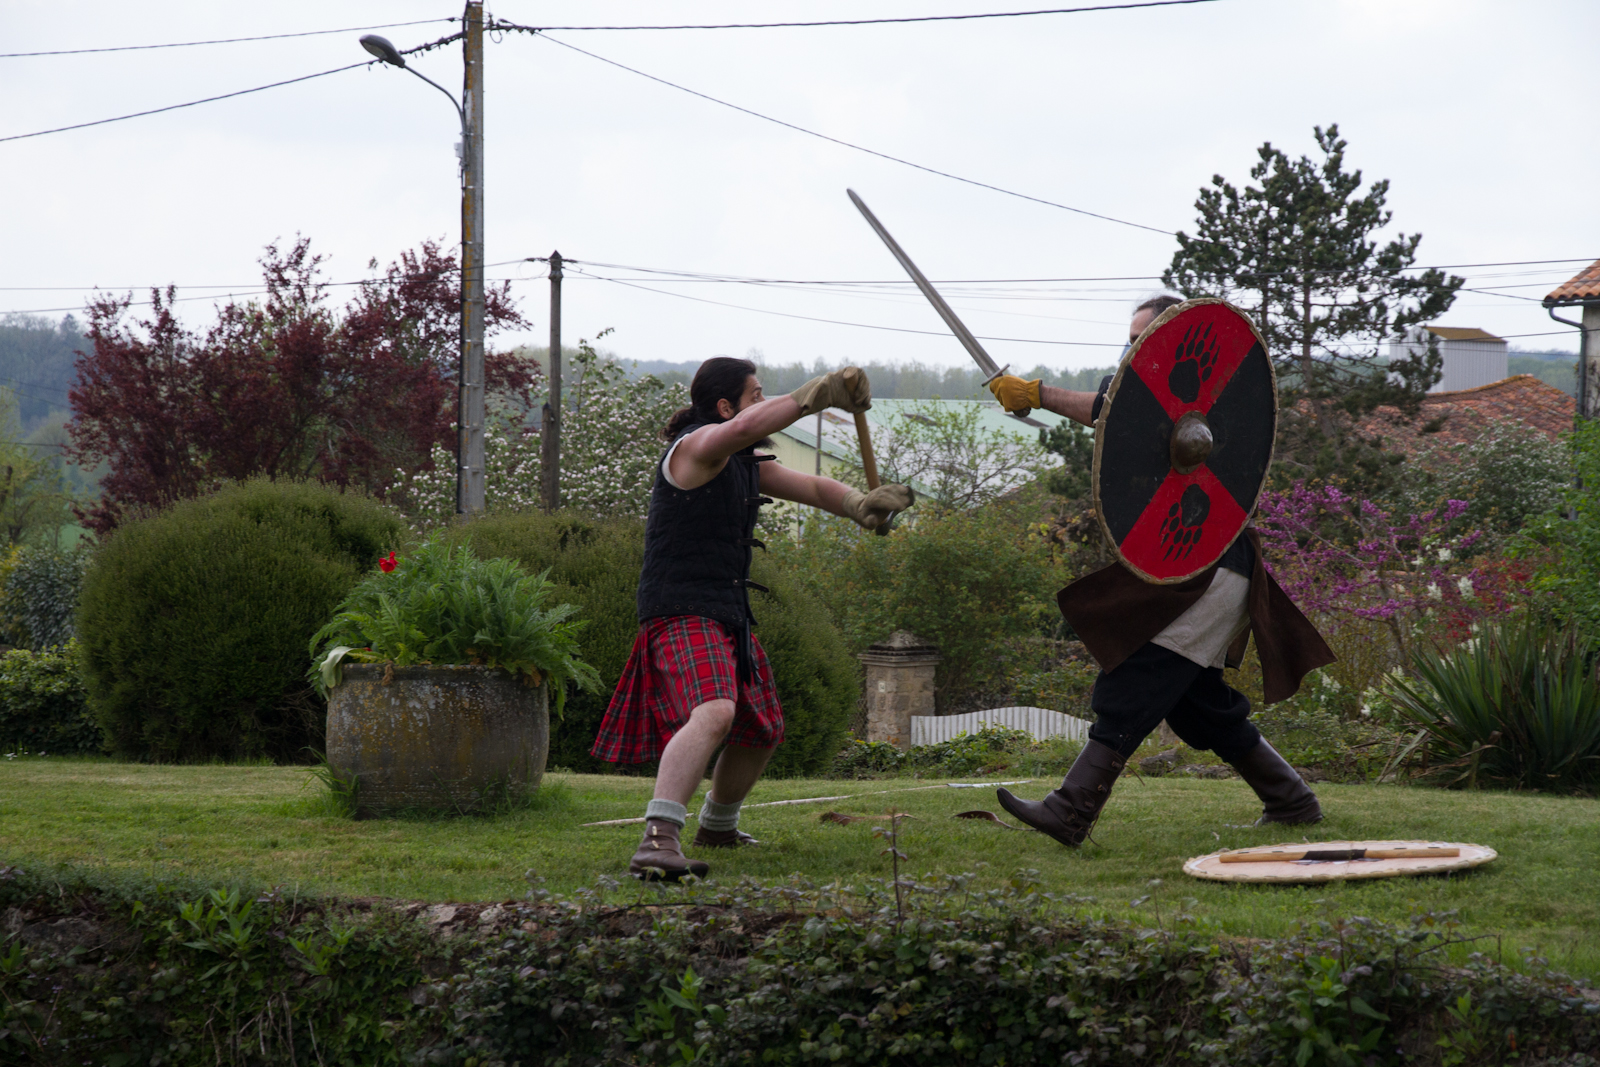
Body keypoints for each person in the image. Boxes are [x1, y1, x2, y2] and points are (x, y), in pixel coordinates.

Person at [983, 295, 1335, 847]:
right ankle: (1292, 801)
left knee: (1134, 677)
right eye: (1129, 342)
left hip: (1212, 570)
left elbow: (1114, 405)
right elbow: (1123, 409)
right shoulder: (1163, 408)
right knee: (1200, 709)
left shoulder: (1199, 407)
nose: (1132, 351)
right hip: (1205, 570)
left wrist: (1038, 394)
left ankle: (1070, 810)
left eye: (1143, 340)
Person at [595, 356, 914, 880]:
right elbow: (743, 429)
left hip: (725, 610)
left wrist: (860, 505)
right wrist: (816, 394)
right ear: (726, 407)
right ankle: (657, 839)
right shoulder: (697, 447)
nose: (764, 403)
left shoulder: (742, 461)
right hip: (680, 608)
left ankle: (718, 827)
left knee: (760, 727)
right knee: (715, 712)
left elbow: (813, 487)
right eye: (757, 395)